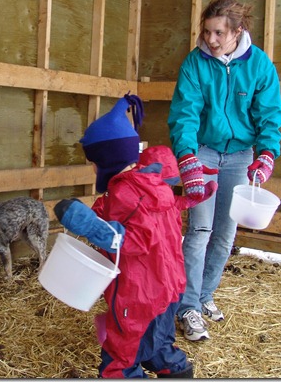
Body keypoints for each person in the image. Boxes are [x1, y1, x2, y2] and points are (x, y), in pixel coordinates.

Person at [54, 94, 216, 378]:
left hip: (140, 294)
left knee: (120, 357)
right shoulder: (151, 186)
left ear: (107, 159)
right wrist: (97, 214)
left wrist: (87, 224)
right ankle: (177, 372)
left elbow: (133, 240)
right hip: (168, 288)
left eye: (93, 161)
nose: (93, 168)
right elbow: (144, 219)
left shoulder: (125, 192)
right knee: (157, 345)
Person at [168, 0, 281, 341]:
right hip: (204, 152)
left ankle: (205, 295)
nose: (211, 39)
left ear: (238, 31)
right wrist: (187, 157)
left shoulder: (259, 65)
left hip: (239, 156)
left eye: (219, 32)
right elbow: (185, 113)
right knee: (200, 230)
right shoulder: (195, 63)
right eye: (207, 31)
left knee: (224, 233)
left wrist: (267, 154)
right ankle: (187, 306)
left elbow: (269, 115)